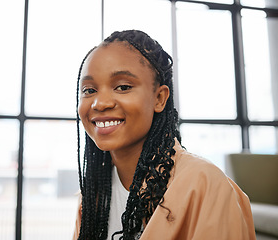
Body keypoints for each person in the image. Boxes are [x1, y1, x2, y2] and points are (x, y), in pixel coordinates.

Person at [73, 30, 256, 240]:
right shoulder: (91, 196)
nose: (100, 103)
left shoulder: (206, 185)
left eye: (122, 87)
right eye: (89, 90)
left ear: (159, 98)